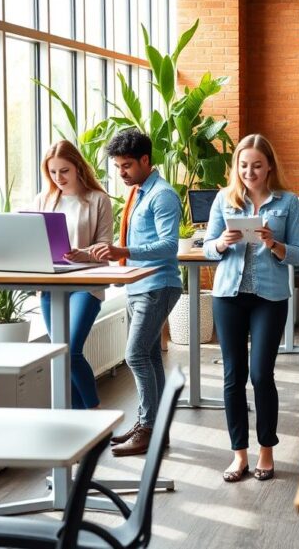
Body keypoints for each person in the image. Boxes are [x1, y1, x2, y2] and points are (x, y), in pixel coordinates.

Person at [203, 134, 299, 483]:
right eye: (244, 165)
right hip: (228, 295)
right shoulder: (224, 199)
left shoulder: (288, 202)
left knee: (261, 375)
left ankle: (266, 450)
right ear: (237, 167)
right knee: (233, 376)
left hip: (270, 298)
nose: (250, 171)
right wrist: (220, 243)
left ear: (269, 167)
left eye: (257, 165)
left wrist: (273, 243)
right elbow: (206, 249)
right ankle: (239, 455)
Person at [92, 128, 182, 457]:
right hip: (139, 284)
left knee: (134, 355)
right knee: (148, 356)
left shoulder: (162, 195)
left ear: (145, 160)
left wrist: (122, 250)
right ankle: (154, 428)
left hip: (157, 285)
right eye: (117, 167)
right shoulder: (140, 191)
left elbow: (169, 245)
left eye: (126, 165)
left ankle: (148, 427)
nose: (121, 173)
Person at [30, 140, 114, 409]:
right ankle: (79, 420)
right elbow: (31, 239)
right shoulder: (43, 200)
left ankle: (94, 412)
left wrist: (85, 253)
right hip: (52, 284)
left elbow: (105, 245)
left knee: (71, 350)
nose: (58, 178)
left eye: (64, 171)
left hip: (85, 283)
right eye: (53, 172)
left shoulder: (98, 200)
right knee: (60, 354)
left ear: (78, 167)